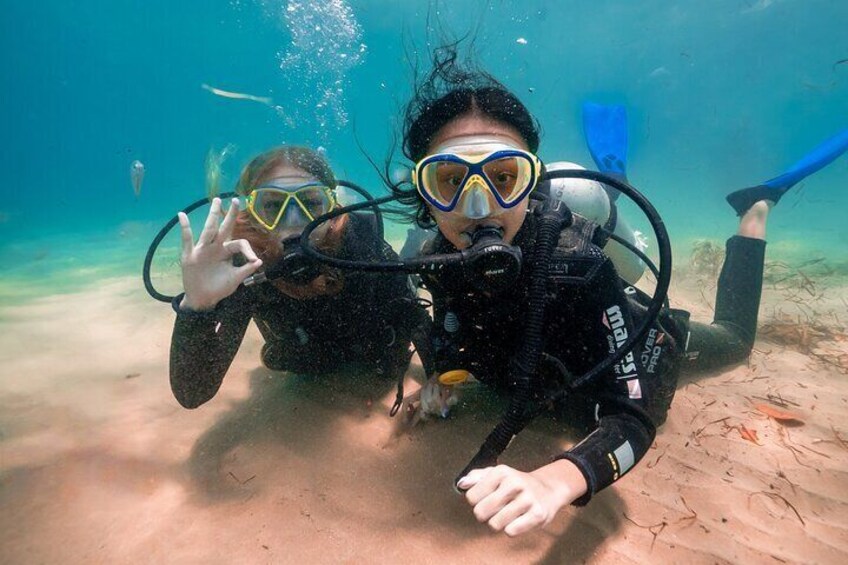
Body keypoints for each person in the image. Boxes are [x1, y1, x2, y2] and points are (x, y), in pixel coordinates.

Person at [390, 50, 848, 536]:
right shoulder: (433, 261)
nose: (479, 206)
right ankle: (617, 181)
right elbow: (449, 324)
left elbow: (633, 417)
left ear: (531, 183)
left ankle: (755, 208)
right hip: (543, 380)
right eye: (450, 181)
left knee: (735, 341)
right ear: (424, 192)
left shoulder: (579, 265)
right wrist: (440, 376)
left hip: (632, 340)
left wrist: (558, 479)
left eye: (504, 178)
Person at [169, 145, 429, 409]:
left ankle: (416, 239)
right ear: (253, 214)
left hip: (374, 353)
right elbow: (193, 393)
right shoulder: (247, 268)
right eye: (272, 206)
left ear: (331, 208)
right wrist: (197, 306)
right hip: (315, 361)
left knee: (407, 273)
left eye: (311, 203)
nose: (293, 221)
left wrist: (438, 377)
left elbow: (413, 316)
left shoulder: (359, 242)